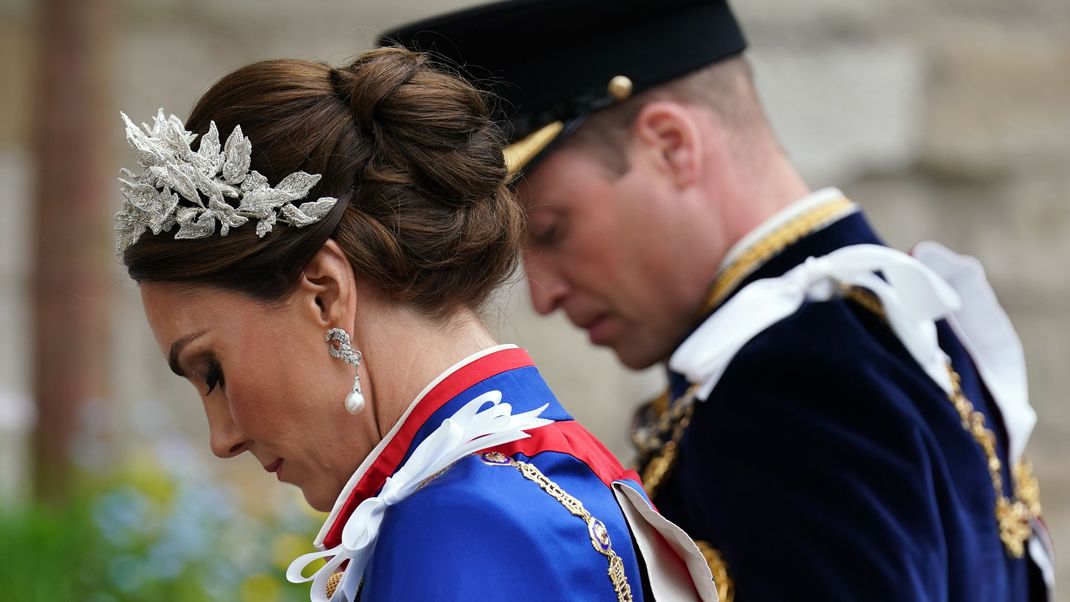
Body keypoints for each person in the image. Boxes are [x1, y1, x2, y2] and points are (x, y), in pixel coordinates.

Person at [379, 1, 1055, 600]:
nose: (546, 294)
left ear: (671, 145)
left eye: (552, 231)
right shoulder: (872, 332)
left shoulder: (796, 381)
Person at [115, 47, 721, 601]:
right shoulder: (528, 475)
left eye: (211, 371)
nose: (222, 439)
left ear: (325, 295)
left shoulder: (461, 524)